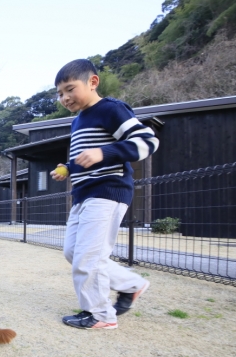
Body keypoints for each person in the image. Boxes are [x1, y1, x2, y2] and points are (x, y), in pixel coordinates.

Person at [50, 59, 159, 330]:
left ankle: (100, 315)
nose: (64, 97)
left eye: (70, 89)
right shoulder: (78, 121)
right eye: (60, 93)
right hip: (83, 194)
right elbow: (86, 158)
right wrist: (68, 168)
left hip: (107, 191)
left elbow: (147, 141)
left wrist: (104, 152)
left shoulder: (110, 109)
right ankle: (131, 284)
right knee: (73, 252)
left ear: (93, 82)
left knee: (88, 257)